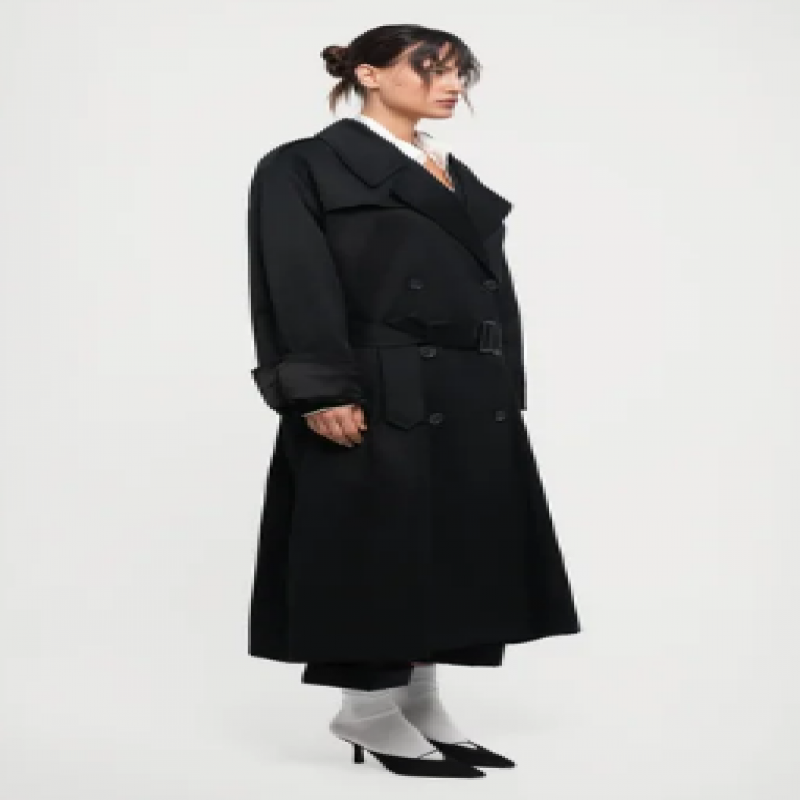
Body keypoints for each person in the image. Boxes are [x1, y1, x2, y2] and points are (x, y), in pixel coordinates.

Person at [246, 24, 581, 778]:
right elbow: (291, 278)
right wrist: (320, 388)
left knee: (449, 549)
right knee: (375, 549)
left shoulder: (445, 166)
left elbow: (493, 288)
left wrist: (506, 380)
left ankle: (420, 703)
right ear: (368, 74)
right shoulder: (304, 165)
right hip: (376, 387)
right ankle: (365, 710)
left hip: (466, 390)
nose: (452, 84)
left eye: (460, 71)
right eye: (431, 69)